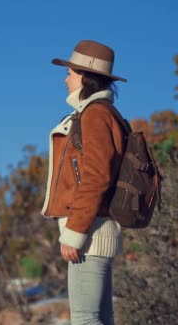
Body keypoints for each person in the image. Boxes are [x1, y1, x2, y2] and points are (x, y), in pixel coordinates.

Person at [41, 40, 127, 325]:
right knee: (100, 319)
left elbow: (97, 176)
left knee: (85, 320)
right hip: (96, 230)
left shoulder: (95, 114)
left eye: (69, 72)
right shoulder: (98, 113)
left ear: (84, 75)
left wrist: (74, 232)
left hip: (89, 233)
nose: (65, 79)